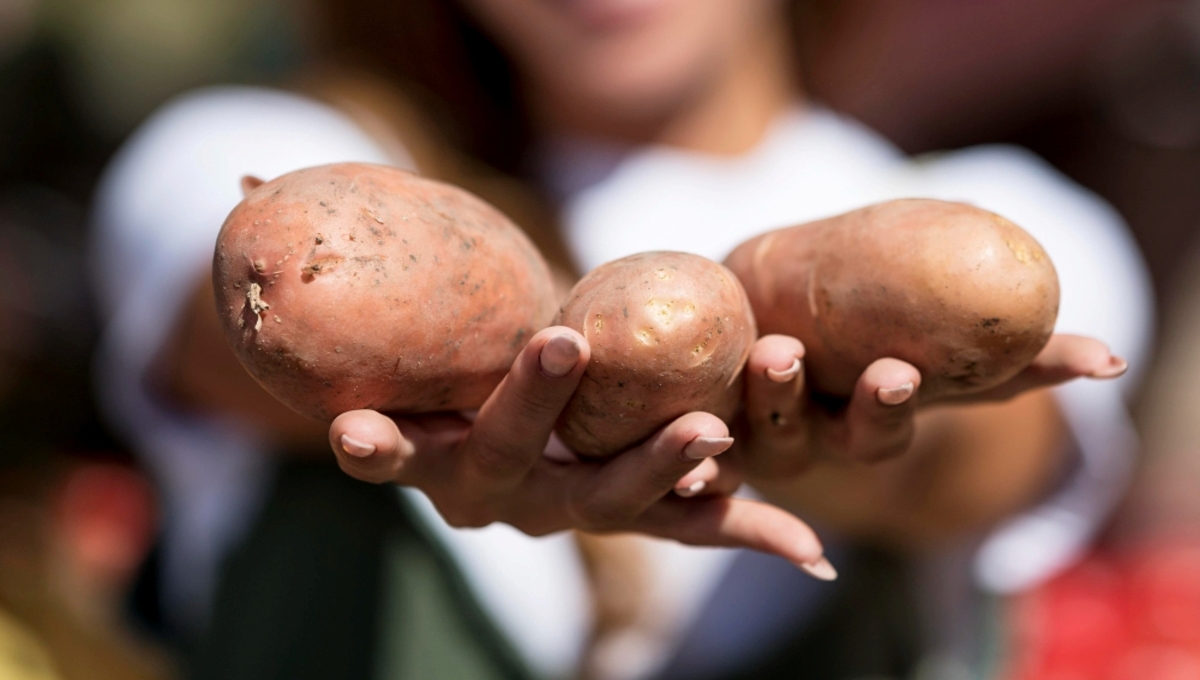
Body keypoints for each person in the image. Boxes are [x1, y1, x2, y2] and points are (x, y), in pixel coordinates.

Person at [90, 0, 1152, 677]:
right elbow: (246, 306)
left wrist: (837, 448)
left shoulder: (1003, 212)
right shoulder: (270, 150)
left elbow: (976, 463)